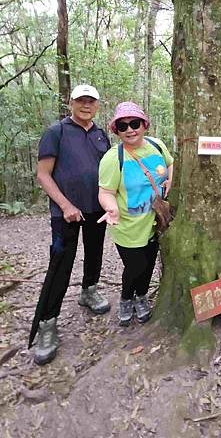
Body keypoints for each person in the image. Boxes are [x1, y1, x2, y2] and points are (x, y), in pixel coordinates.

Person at [31, 84, 111, 366]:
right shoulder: (57, 132)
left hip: (96, 209)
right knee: (60, 263)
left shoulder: (102, 135)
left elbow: (109, 173)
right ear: (71, 103)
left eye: (91, 101)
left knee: (95, 253)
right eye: (81, 100)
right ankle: (48, 324)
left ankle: (89, 291)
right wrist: (65, 205)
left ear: (97, 106)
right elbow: (43, 174)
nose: (86, 105)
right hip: (64, 213)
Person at [98, 102, 173, 326]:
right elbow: (105, 191)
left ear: (144, 124)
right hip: (128, 227)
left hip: (156, 222)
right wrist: (110, 208)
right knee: (135, 267)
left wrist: (170, 179)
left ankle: (141, 298)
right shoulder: (114, 158)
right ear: (117, 130)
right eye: (123, 126)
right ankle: (125, 299)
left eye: (134, 123)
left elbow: (171, 164)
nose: (130, 129)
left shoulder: (157, 146)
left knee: (149, 264)